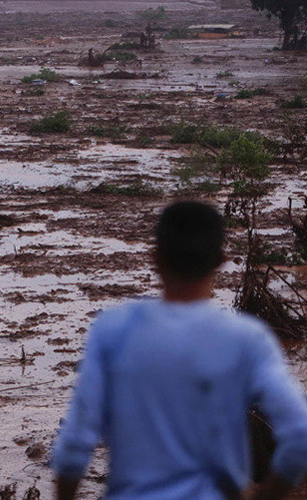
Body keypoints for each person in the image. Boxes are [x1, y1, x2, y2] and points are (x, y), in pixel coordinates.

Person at [50, 201, 307, 500]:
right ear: (221, 260)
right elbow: (299, 435)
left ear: (155, 258)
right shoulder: (247, 339)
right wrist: (266, 495)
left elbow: (75, 444)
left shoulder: (112, 330)